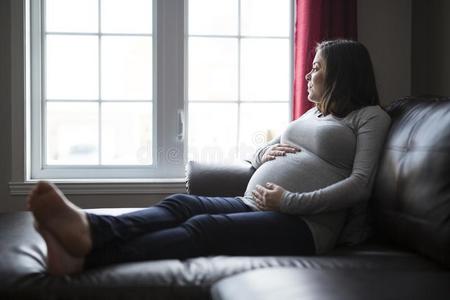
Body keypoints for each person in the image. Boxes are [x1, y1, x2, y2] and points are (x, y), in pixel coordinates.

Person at [28, 39, 391, 276]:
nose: (310, 74)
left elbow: (360, 186)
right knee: (181, 205)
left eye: (318, 68)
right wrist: (266, 152)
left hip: (307, 228)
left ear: (341, 75)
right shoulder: (313, 114)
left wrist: (290, 200)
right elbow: (259, 152)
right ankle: (91, 229)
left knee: (205, 229)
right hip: (256, 205)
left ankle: (87, 257)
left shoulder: (370, 117)